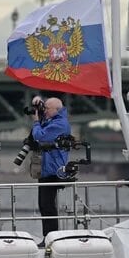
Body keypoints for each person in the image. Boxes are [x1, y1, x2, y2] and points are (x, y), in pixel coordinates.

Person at [31, 96, 71, 239]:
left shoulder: (59, 124)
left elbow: (39, 136)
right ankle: (48, 237)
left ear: (57, 110)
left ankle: (50, 237)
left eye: (47, 108)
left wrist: (36, 120)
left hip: (54, 170)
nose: (45, 111)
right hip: (47, 169)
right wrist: (38, 102)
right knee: (44, 205)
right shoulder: (52, 121)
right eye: (44, 108)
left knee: (47, 205)